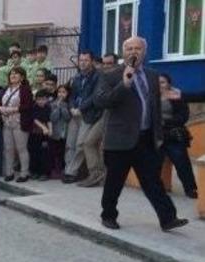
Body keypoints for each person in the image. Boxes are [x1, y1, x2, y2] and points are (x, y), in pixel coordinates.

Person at [93, 36, 187, 232]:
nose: (133, 52)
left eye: (138, 48)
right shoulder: (110, 75)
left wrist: (158, 135)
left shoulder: (152, 76)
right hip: (119, 140)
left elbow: (154, 108)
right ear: (123, 52)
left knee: (153, 181)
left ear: (144, 52)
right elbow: (102, 101)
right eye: (129, 49)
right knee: (114, 182)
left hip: (145, 138)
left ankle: (168, 218)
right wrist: (124, 84)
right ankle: (108, 215)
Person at [66, 51, 105, 186]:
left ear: (92, 61)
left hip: (88, 115)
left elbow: (94, 97)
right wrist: (71, 108)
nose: (82, 62)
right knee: (70, 144)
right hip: (74, 113)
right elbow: (71, 96)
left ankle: (72, 172)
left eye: (86, 60)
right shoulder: (77, 77)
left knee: (81, 144)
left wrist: (80, 109)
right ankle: (69, 170)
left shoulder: (97, 76)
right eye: (80, 60)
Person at [158, 74, 197, 199]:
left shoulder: (176, 96)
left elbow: (183, 116)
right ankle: (156, 188)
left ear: (169, 84)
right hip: (155, 135)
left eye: (163, 82)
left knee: (181, 162)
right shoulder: (151, 97)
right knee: (151, 162)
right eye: (157, 83)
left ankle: (190, 188)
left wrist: (165, 122)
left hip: (172, 134)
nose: (160, 85)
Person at [0, 66, 33, 183]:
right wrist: (0, 108)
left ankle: (24, 173)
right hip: (6, 123)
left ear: (22, 77)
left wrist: (12, 109)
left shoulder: (25, 89)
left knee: (21, 148)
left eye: (16, 74)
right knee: (8, 148)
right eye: (11, 73)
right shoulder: (5, 89)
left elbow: (27, 106)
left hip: (19, 122)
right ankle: (9, 172)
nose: (13, 75)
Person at [49, 84, 72, 179]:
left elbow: (67, 117)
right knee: (54, 152)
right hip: (55, 133)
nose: (61, 94)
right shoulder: (52, 104)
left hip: (65, 133)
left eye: (63, 92)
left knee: (63, 152)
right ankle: (54, 170)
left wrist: (62, 107)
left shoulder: (69, 104)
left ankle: (62, 170)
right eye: (59, 92)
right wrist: (57, 107)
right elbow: (52, 118)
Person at [29, 90, 52, 181]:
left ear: (47, 100)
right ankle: (34, 172)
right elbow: (35, 119)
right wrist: (44, 128)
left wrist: (50, 130)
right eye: (39, 99)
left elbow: (49, 119)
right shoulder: (34, 107)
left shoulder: (48, 108)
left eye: (43, 99)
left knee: (44, 153)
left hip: (44, 135)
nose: (41, 101)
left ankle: (44, 173)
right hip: (35, 133)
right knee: (34, 153)